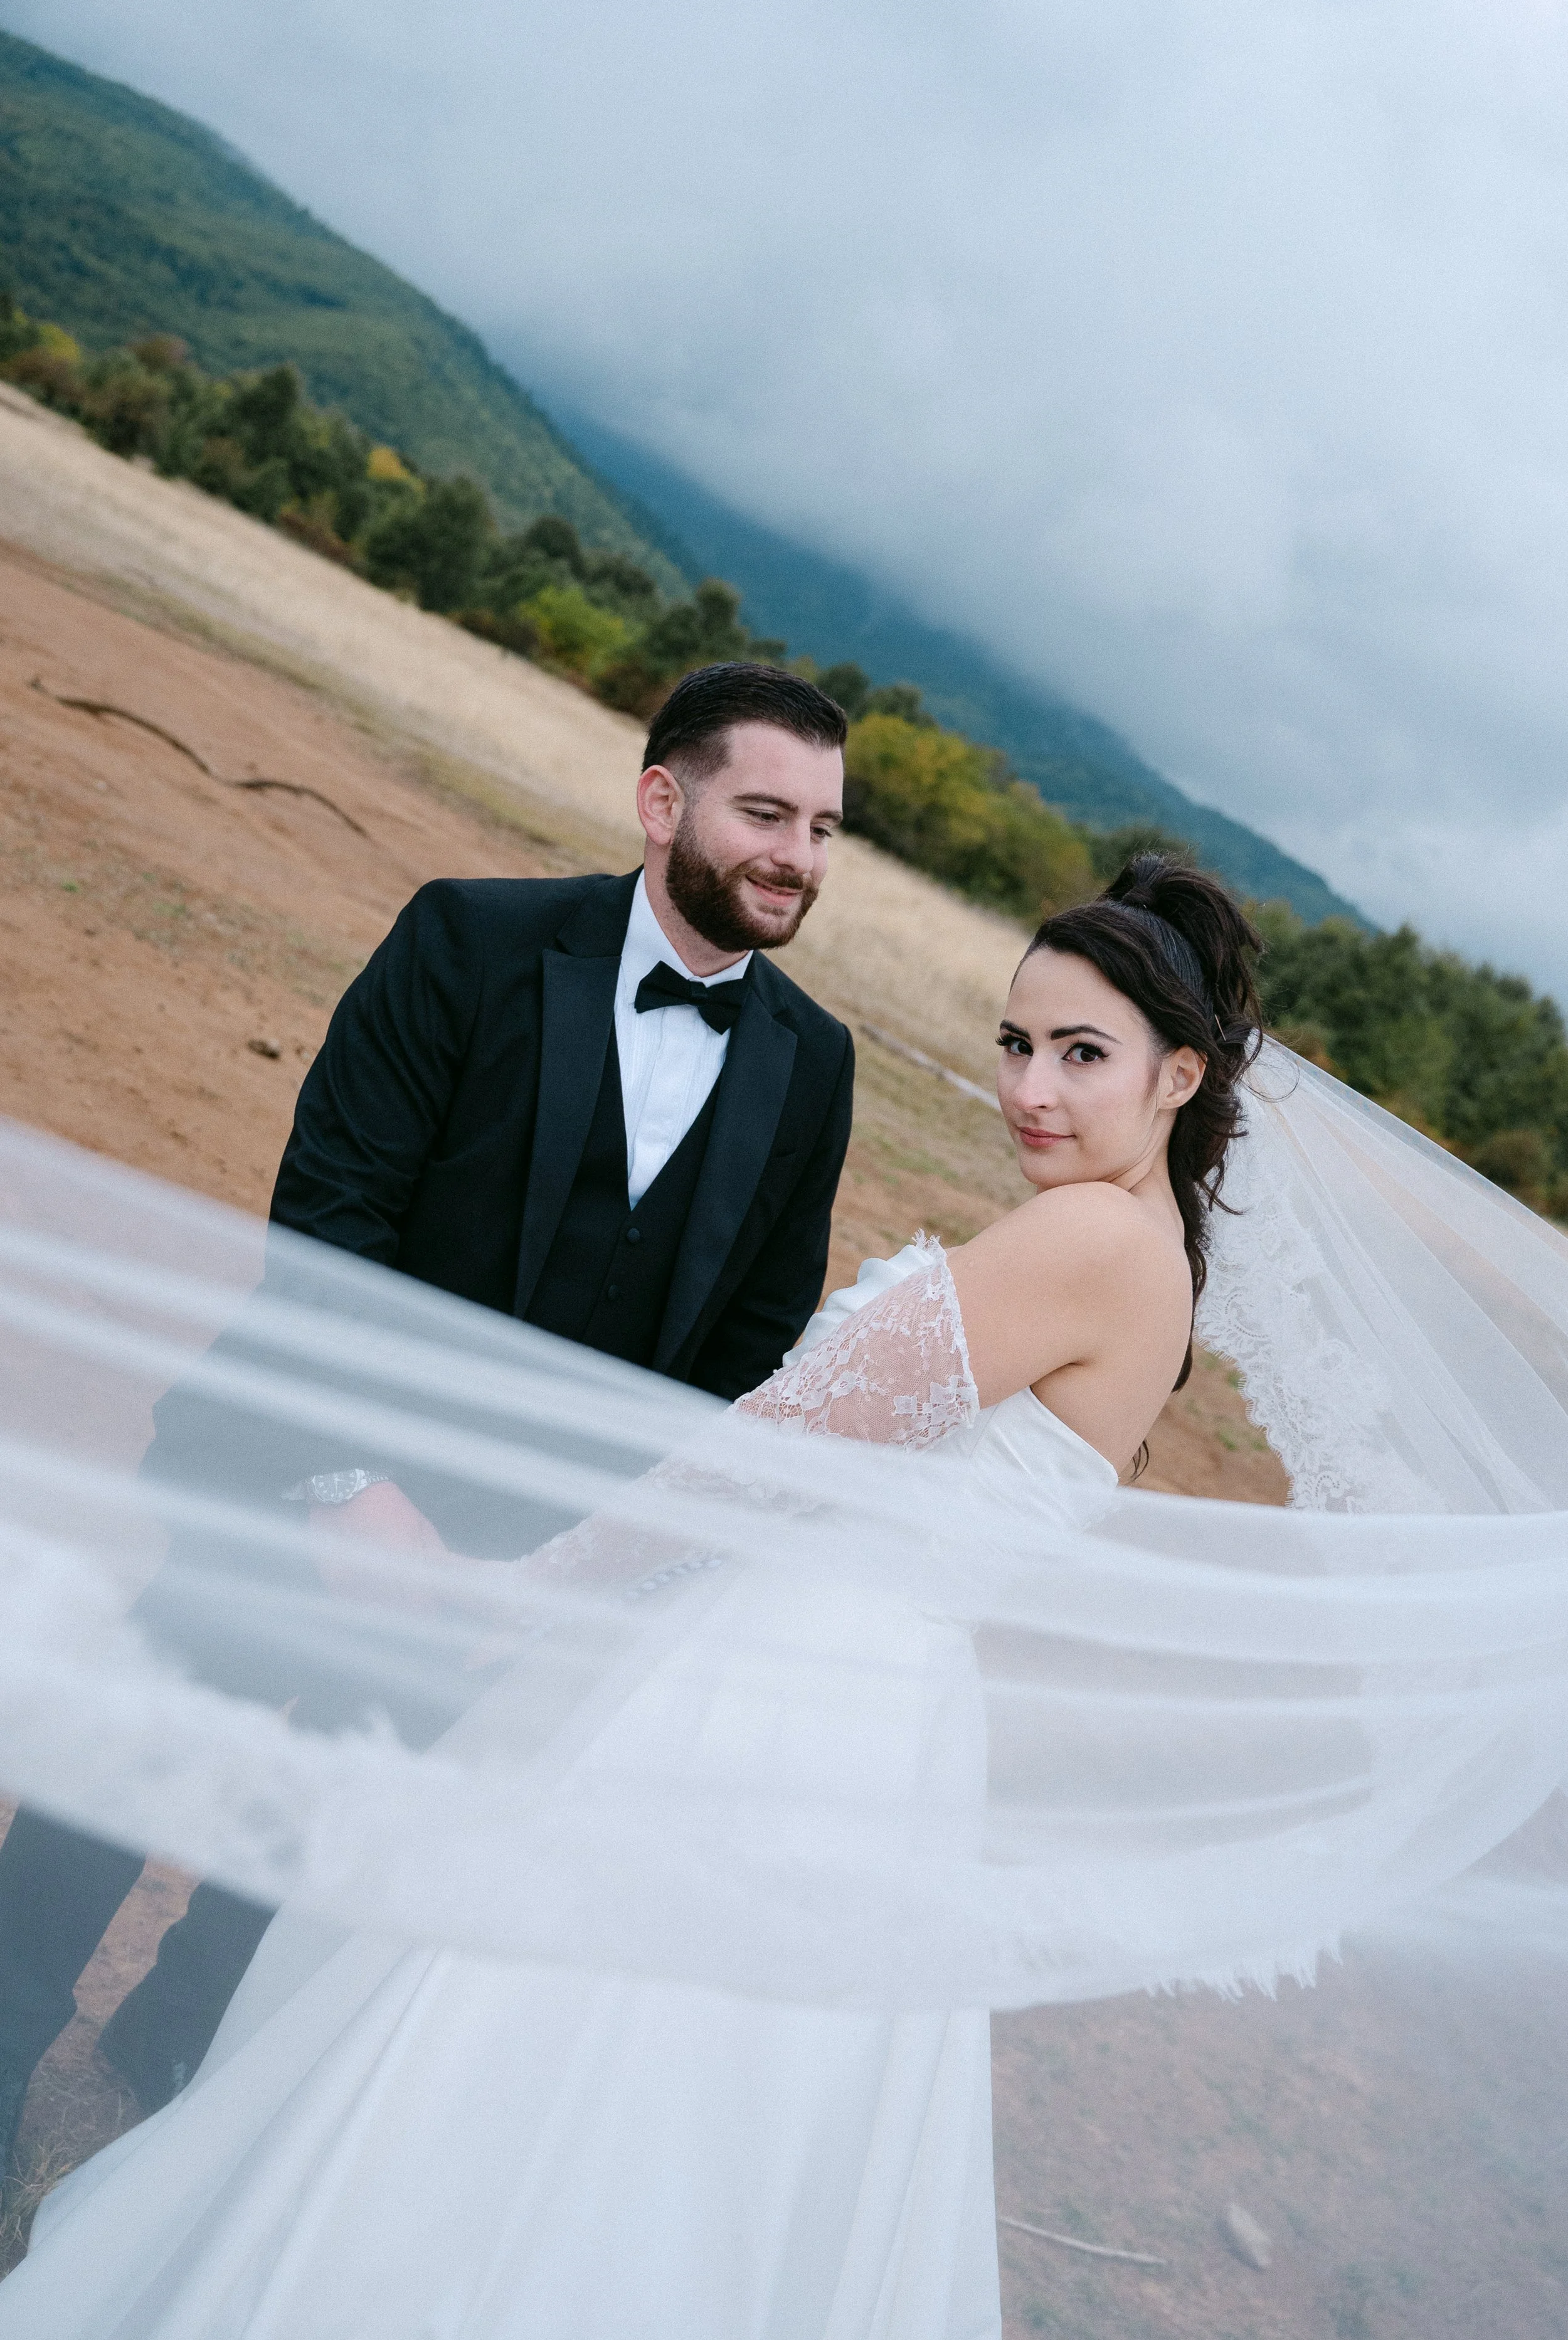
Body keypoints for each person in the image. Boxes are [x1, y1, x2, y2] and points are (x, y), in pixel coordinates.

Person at [0, 854, 1263, 2338]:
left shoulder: (1087, 1238)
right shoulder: (1157, 1260)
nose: (1029, 1089)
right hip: (875, 1718)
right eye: (1013, 1043)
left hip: (770, 1701)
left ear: (1176, 1073)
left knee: (539, 2036)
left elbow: (775, 1449)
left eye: (1080, 1055)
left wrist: (532, 1589)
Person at [0, 658, 857, 2178]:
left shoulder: (812, 1065)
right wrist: (351, 1487)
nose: (796, 853)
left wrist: (565, 1566)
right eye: (766, 811)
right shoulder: (468, 937)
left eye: (823, 828)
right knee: (127, 1763)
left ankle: (171, 2069)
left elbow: (744, 1350)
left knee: (326, 1839)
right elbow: (330, 1218)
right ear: (662, 801)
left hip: (506, 1567)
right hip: (288, 1474)